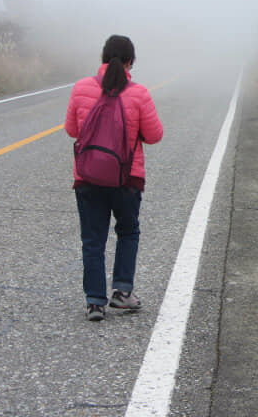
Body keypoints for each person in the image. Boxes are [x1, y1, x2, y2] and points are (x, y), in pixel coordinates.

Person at [65, 35, 164, 321]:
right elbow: (155, 135)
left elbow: (73, 130)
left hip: (88, 176)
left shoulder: (82, 88)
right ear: (131, 61)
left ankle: (94, 302)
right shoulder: (139, 93)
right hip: (127, 177)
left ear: (103, 58)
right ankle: (121, 293)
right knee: (128, 231)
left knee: (93, 240)